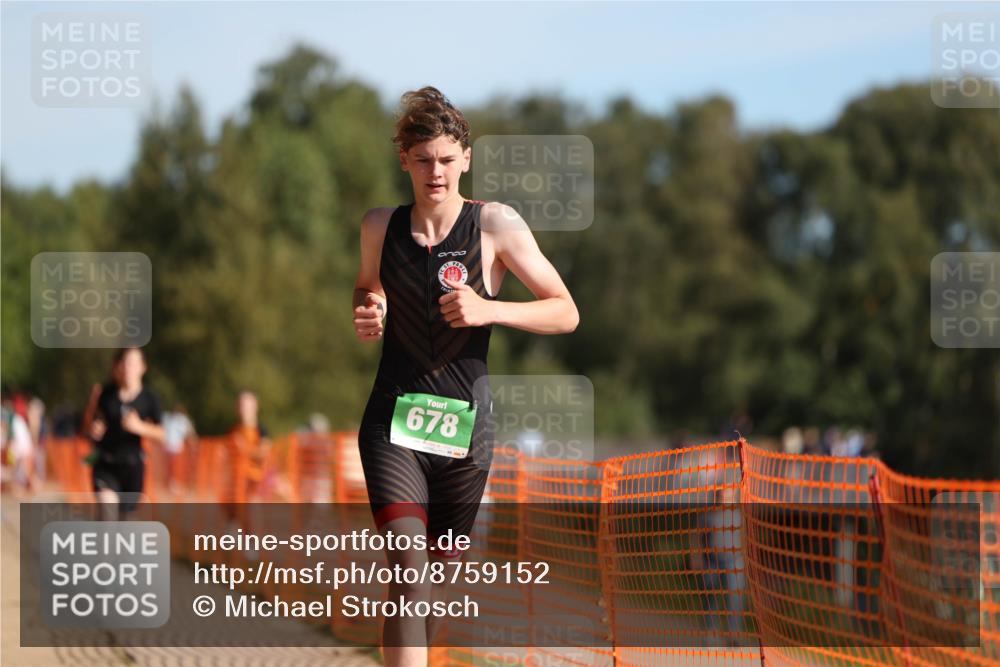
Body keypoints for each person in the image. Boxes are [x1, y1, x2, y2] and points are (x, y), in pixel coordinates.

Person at [352, 86, 579, 667]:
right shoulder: (380, 226)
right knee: (408, 569)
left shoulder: (495, 225)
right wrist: (369, 306)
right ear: (404, 159)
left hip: (465, 433)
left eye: (448, 160)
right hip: (392, 420)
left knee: (436, 587)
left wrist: (490, 307)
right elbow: (368, 285)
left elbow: (565, 310)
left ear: (467, 160)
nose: (436, 173)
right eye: (424, 159)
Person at [86, 347, 165, 519]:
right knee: (108, 514)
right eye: (125, 363)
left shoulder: (150, 398)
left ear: (143, 368)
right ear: (118, 366)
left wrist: (140, 427)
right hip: (106, 464)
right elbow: (90, 426)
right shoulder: (105, 393)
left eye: (133, 363)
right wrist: (94, 429)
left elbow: (162, 433)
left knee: (125, 524)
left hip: (133, 467)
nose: (128, 368)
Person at [161, 403, 197, 495]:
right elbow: (190, 431)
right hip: (172, 447)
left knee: (173, 467)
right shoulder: (172, 418)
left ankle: (173, 483)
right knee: (172, 467)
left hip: (173, 447)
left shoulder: (177, 419)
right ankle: (171, 483)